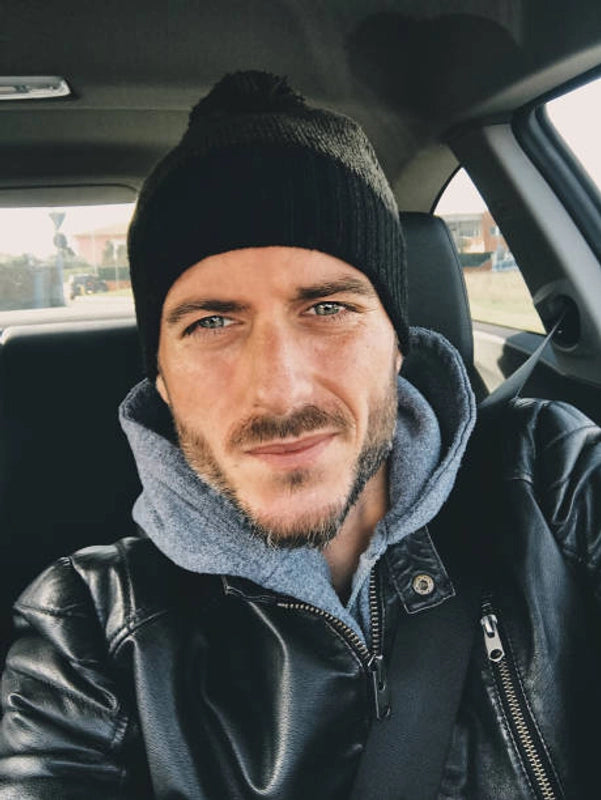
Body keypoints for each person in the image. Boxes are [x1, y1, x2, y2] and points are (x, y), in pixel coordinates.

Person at [1, 70, 600, 800]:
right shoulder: (88, 627)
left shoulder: (551, 481)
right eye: (212, 323)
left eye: (327, 309)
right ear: (161, 377)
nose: (280, 390)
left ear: (397, 343)